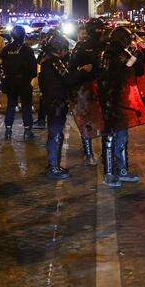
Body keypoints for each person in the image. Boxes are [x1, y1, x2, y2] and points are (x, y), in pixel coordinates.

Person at [97, 26, 145, 188]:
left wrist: (136, 56)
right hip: (110, 99)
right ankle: (110, 173)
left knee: (122, 137)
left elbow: (139, 71)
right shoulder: (108, 54)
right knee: (111, 137)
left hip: (123, 98)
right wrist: (129, 62)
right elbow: (111, 75)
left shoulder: (124, 53)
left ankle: (123, 170)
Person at [38, 31, 92, 179]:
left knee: (56, 134)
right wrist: (82, 71)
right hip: (56, 103)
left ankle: (54, 165)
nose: (65, 52)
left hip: (52, 101)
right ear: (57, 48)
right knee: (55, 135)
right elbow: (68, 79)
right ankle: (53, 168)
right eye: (63, 49)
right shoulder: (53, 63)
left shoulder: (46, 61)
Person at [68, 20, 105, 166]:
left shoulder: (84, 47)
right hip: (91, 88)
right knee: (93, 122)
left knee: (92, 122)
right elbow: (72, 69)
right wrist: (83, 69)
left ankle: (94, 153)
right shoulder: (103, 47)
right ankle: (93, 152)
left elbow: (71, 68)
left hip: (94, 88)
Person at [1, 25, 37, 141]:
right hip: (24, 81)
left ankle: (8, 130)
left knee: (11, 105)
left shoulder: (6, 49)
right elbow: (33, 69)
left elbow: (3, 65)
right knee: (26, 105)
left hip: (11, 81)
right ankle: (27, 131)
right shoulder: (27, 50)